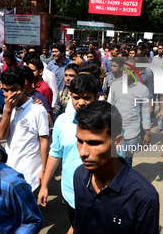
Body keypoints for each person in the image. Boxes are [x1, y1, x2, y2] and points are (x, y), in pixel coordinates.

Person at [73, 101, 160, 234]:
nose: (83, 152)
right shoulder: (80, 175)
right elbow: (79, 223)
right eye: (80, 141)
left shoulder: (143, 197)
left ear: (117, 142)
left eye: (94, 143)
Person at [38, 74, 100, 234]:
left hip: (98, 195)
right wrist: (44, 185)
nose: (81, 102)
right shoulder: (62, 122)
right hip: (69, 192)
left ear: (97, 97)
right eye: (76, 97)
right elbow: (55, 154)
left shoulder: (110, 124)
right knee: (76, 224)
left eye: (87, 98)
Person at [0, 66, 49, 191]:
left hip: (31, 175)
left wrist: (44, 170)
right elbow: (2, 135)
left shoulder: (38, 110)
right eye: (5, 90)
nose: (9, 95)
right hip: (10, 172)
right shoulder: (8, 108)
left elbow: (44, 141)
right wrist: (8, 110)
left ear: (24, 88)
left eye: (13, 89)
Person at [108, 58, 152, 167]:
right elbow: (109, 107)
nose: (126, 72)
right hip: (115, 130)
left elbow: (145, 112)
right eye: (125, 69)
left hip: (132, 132)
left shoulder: (143, 89)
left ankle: (126, 181)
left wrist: (147, 132)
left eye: (130, 70)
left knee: (127, 160)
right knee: (113, 159)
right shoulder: (115, 86)